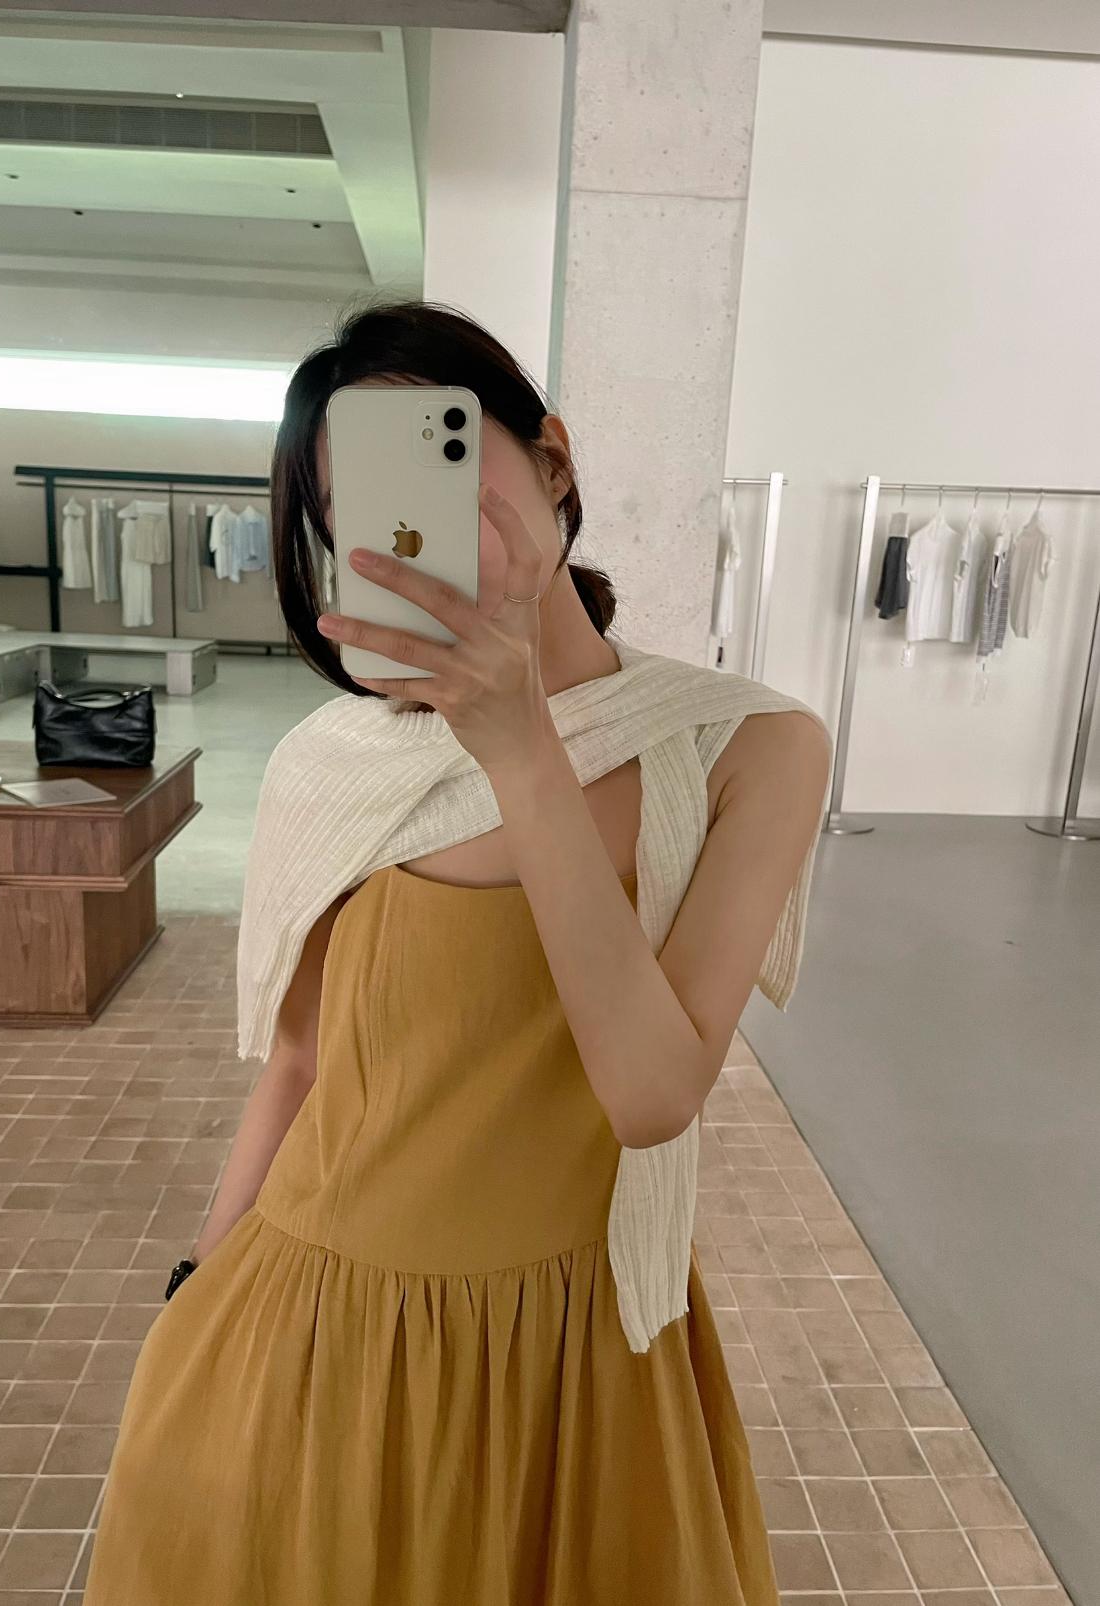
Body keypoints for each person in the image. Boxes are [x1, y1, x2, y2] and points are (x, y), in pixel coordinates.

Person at [82, 300, 831, 1604]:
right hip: (312, 1344)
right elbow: (302, 1065)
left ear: (553, 460)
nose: (406, 519)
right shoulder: (336, 763)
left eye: (437, 454)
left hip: (575, 1371)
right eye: (354, 504)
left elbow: (654, 1094)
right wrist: (196, 1290)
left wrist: (520, 743)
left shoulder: (745, 749)